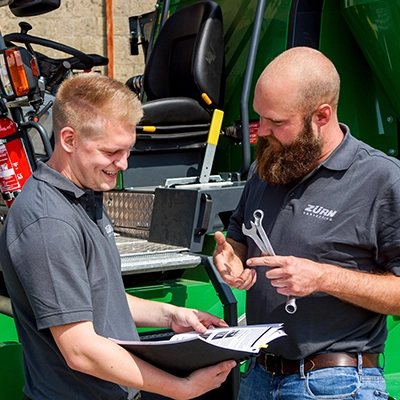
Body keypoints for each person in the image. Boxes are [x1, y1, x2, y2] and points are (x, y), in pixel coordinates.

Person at [0, 73, 235, 400]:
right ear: (69, 140)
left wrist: (171, 315)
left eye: (128, 150)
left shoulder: (85, 195)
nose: (123, 164)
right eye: (112, 152)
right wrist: (181, 388)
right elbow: (80, 350)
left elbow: (97, 301)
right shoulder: (48, 221)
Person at [213, 46, 400, 399]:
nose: (262, 132)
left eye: (277, 122)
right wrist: (231, 257)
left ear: (322, 115)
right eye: (260, 117)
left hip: (335, 385)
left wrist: (322, 277)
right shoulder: (266, 168)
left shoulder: (383, 181)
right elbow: (238, 234)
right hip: (258, 377)